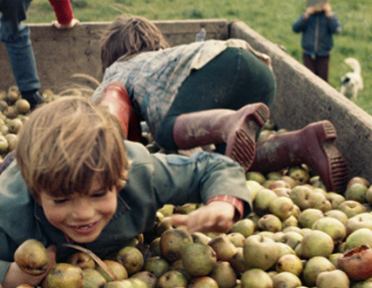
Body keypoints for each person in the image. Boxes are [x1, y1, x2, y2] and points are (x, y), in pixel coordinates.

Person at [0, 96, 251, 288]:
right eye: (61, 201)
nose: (83, 214)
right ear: (36, 194)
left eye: (97, 196)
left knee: (110, 115)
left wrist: (223, 201)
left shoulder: (141, 173)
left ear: (119, 180)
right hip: (11, 172)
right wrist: (11, 274)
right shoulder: (7, 210)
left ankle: (117, 89)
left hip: (94, 162)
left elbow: (211, 166)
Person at [90, 15, 348, 193]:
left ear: (112, 56)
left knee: (166, 132)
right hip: (256, 68)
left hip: (217, 67)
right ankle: (302, 144)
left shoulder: (120, 68)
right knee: (234, 159)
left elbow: (100, 110)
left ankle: (229, 122)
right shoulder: (168, 61)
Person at [292, 0, 342, 83]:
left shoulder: (328, 17)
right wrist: (306, 15)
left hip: (323, 55)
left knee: (322, 81)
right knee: (308, 80)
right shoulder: (307, 17)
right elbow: (295, 28)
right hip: (308, 54)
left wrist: (329, 15)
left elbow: (337, 30)